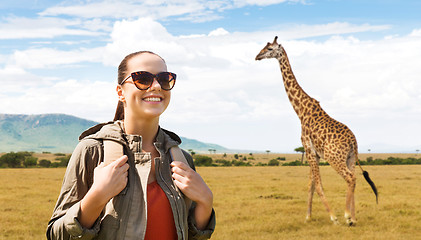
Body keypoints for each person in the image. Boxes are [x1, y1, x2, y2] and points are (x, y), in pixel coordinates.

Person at [46, 51, 215, 240]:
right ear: (120, 92)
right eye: (142, 78)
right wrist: (97, 196)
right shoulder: (93, 151)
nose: (157, 86)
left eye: (164, 79)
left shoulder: (180, 158)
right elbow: (56, 235)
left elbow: (192, 235)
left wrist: (205, 201)